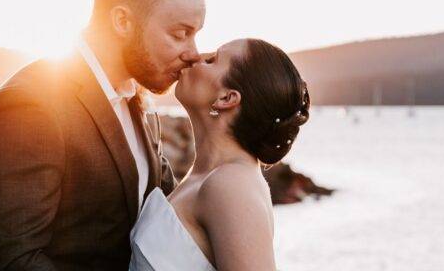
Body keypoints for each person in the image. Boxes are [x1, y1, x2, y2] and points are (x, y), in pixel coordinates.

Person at [0, 0, 214, 269]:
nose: (193, 54)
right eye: (180, 34)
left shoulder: (138, 101)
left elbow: (164, 218)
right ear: (122, 21)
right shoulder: (29, 106)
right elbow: (13, 260)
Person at [129, 38, 311, 270]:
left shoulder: (230, 185)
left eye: (213, 59)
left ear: (227, 98)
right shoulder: (207, 178)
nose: (196, 57)